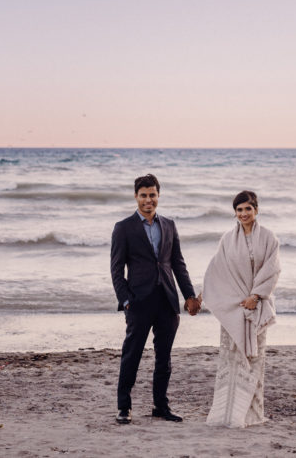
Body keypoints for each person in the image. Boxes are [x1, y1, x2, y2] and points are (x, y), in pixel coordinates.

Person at [110, 173, 201, 425]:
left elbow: (178, 264)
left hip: (167, 301)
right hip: (138, 302)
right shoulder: (123, 227)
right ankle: (123, 407)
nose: (148, 200)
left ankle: (160, 406)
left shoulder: (169, 225)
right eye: (143, 195)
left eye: (152, 195)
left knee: (164, 358)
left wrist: (190, 295)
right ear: (136, 197)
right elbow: (116, 270)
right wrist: (126, 301)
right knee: (132, 355)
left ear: (158, 196)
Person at [202, 190, 281, 427]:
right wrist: (199, 296)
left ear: (256, 210)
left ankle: (250, 415)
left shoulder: (269, 238)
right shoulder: (227, 239)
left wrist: (255, 296)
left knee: (254, 359)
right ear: (234, 212)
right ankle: (226, 414)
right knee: (231, 360)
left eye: (248, 208)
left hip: (256, 307)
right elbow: (217, 271)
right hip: (234, 308)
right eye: (239, 210)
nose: (243, 213)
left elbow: (272, 270)